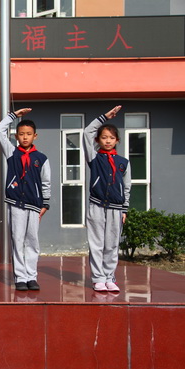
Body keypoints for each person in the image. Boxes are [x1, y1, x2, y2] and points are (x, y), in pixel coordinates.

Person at [0, 108, 51, 291]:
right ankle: (20, 277)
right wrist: (14, 116)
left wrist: (45, 203)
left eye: (28, 134)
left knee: (32, 241)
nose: (25, 137)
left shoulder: (41, 158)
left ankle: (31, 276)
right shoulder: (12, 152)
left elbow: (46, 182)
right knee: (17, 239)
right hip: (16, 203)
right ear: (16, 136)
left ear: (35, 136)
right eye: (21, 134)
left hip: (34, 205)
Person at [83, 105, 130, 292]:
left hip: (116, 208)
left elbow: (127, 187)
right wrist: (104, 117)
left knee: (111, 245)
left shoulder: (123, 163)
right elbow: (87, 132)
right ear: (97, 140)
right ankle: (98, 278)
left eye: (111, 137)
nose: (108, 140)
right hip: (96, 206)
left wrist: (124, 209)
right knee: (96, 244)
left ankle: (110, 277)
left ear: (117, 140)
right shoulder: (94, 158)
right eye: (104, 137)